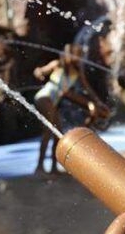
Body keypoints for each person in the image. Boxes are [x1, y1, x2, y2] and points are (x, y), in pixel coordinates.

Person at [33, 43, 108, 174]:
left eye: (80, 55)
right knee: (48, 131)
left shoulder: (77, 72)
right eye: (77, 54)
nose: (79, 58)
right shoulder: (58, 64)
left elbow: (88, 89)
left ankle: (54, 167)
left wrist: (98, 102)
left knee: (58, 133)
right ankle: (39, 167)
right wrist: (39, 73)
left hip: (52, 102)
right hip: (44, 98)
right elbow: (39, 71)